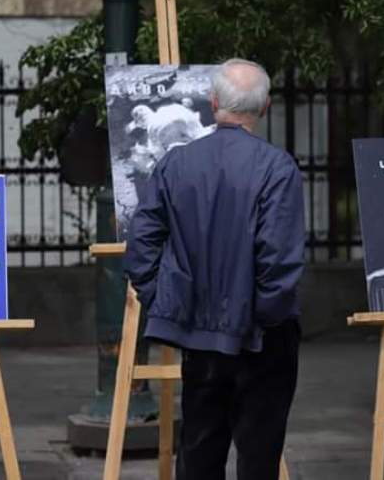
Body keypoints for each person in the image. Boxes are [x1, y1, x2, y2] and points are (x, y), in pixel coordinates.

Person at [125, 58, 305, 480]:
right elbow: (279, 259)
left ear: (213, 103)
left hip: (198, 328)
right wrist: (262, 318)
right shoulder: (277, 167)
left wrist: (164, 300)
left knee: (199, 452)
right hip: (262, 337)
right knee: (259, 458)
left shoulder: (175, 164)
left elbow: (141, 244)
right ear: (265, 107)